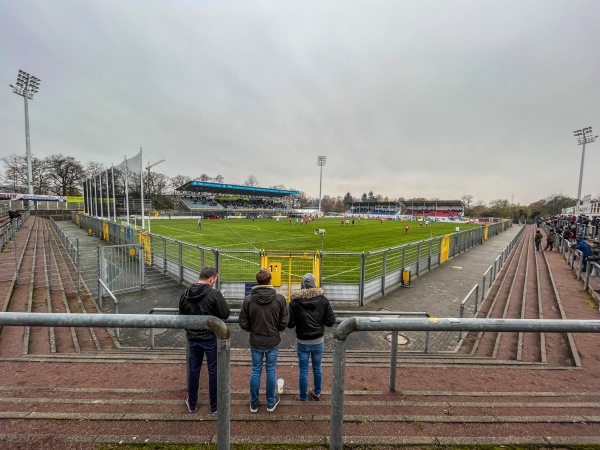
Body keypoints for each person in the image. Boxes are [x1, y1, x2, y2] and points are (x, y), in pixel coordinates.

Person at [179, 267, 230, 415]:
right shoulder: (214, 294)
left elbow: (182, 317)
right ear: (212, 279)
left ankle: (193, 403)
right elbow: (225, 314)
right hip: (210, 338)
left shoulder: (185, 294)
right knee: (213, 371)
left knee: (194, 370)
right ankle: (214, 406)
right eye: (215, 280)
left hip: (193, 338)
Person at [239, 269, 289, 413]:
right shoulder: (279, 299)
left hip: (256, 341)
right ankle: (270, 402)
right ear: (270, 281)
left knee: (256, 370)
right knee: (271, 370)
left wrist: (252, 329)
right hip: (272, 341)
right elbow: (283, 323)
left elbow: (243, 322)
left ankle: (254, 403)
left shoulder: (249, 299)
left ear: (257, 281)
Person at [288, 273, 335, 402]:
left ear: (302, 285)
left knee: (303, 370)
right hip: (318, 340)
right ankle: (316, 393)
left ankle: (303, 396)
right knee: (317, 367)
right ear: (314, 284)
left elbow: (290, 324)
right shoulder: (323, 300)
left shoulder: (295, 302)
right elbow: (331, 321)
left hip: (302, 341)